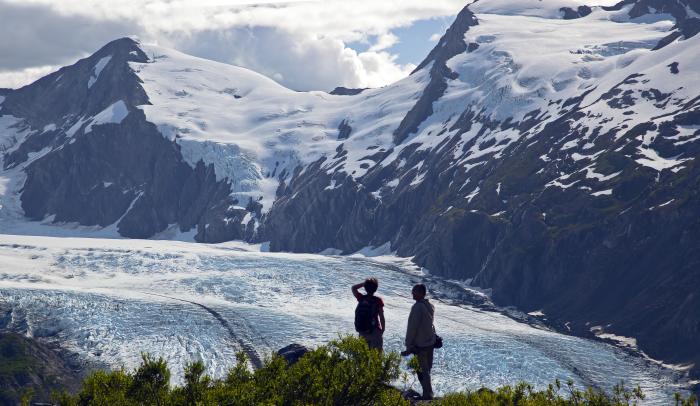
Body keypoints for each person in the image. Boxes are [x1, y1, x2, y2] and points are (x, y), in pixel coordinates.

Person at [402, 283, 436, 400]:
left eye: (414, 291)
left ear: (421, 293)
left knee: (422, 370)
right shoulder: (429, 305)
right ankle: (428, 393)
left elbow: (412, 327)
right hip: (430, 343)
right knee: (427, 370)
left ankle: (427, 395)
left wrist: (408, 344)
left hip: (420, 345)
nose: (412, 293)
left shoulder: (417, 307)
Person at [351, 278, 385, 351]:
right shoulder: (378, 300)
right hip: (375, 331)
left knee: (363, 358)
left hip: (362, 331)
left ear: (365, 288)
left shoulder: (361, 298)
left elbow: (353, 288)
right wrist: (382, 330)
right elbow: (381, 317)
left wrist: (364, 284)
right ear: (376, 289)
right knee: (376, 358)